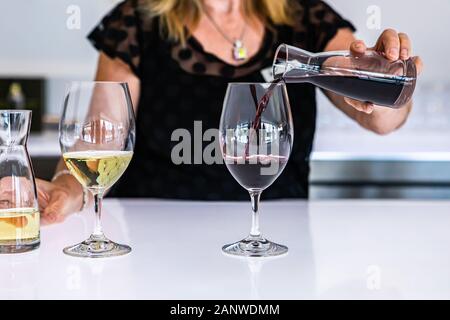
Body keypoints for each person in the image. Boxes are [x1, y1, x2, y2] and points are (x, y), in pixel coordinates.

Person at [37, 0, 422, 224]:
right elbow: (100, 142)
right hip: (159, 241)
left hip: (278, 242)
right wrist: (68, 190)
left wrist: (385, 75)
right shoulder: (138, 21)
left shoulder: (303, 16)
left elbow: (383, 120)